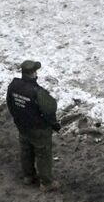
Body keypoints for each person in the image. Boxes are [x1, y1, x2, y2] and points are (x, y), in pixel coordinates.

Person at [6, 60, 62, 191]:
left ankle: (28, 176)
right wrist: (53, 124)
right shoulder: (38, 92)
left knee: (26, 151)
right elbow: (50, 108)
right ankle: (46, 183)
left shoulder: (13, 86)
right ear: (33, 73)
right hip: (39, 129)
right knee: (43, 154)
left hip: (22, 126)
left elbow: (10, 103)